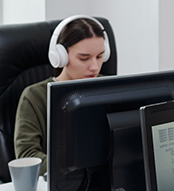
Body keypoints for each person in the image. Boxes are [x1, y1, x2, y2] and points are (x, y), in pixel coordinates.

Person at [14, 16, 109, 175]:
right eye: (84, 58)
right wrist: (75, 172)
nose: (94, 66)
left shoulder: (110, 87)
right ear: (60, 56)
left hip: (104, 182)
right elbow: (27, 155)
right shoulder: (34, 96)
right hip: (61, 185)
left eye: (100, 56)